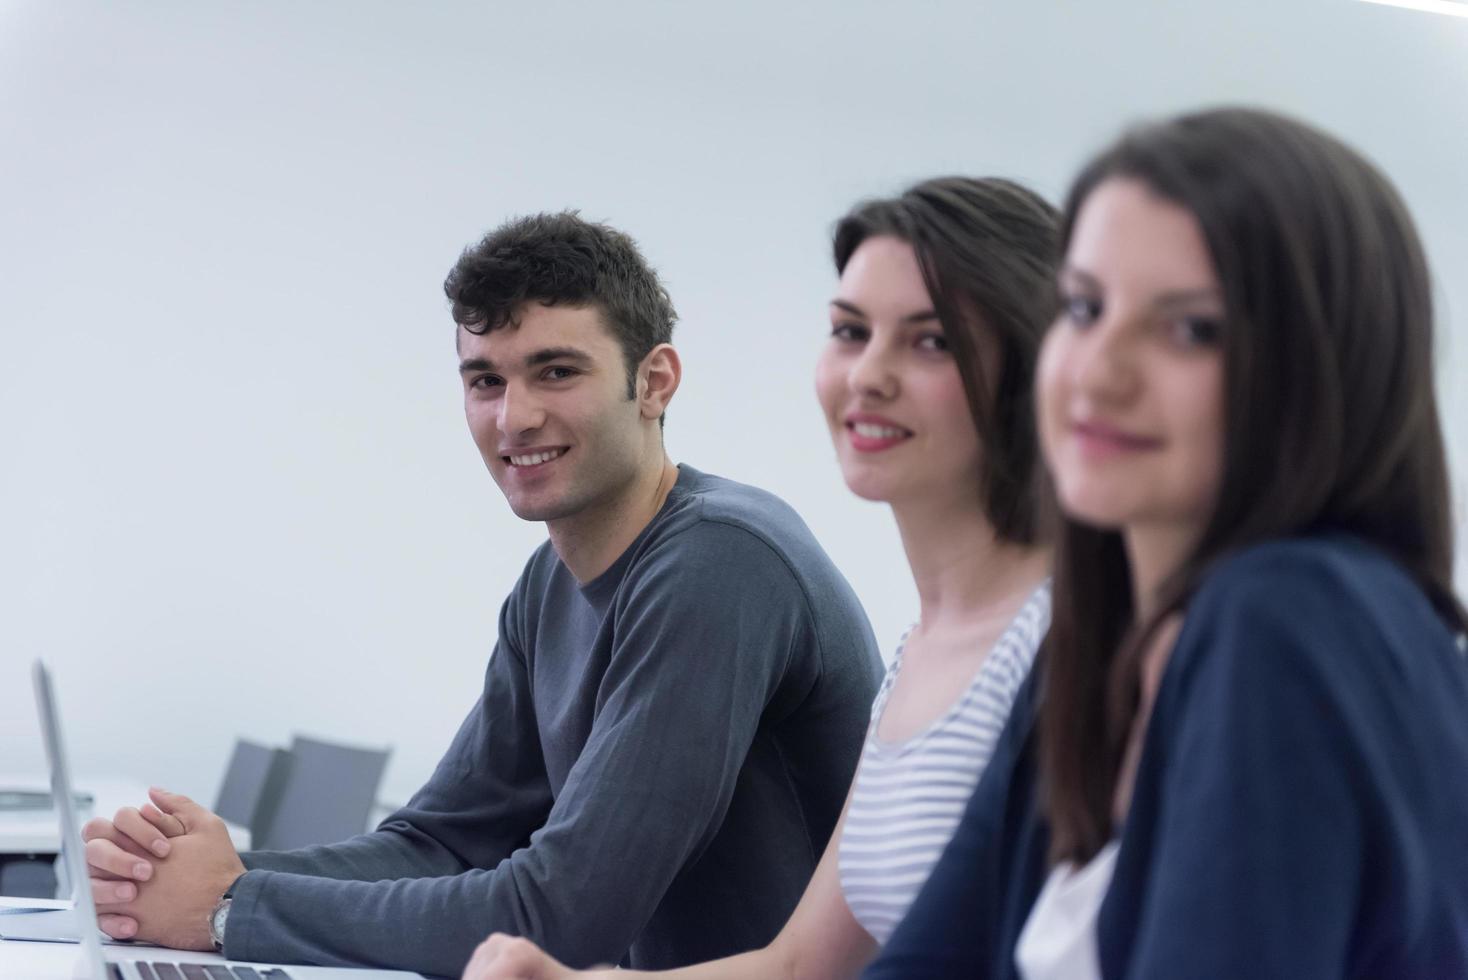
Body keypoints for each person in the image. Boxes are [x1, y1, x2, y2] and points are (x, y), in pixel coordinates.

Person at [78, 211, 885, 978]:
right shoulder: (549, 583)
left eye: (556, 372)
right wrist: (204, 875)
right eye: (484, 380)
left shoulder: (720, 563)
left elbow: (565, 913)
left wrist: (231, 908)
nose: (515, 417)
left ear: (655, 382)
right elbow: (442, 842)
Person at [865, 108, 1468, 979]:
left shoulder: (1287, 619)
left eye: (1189, 329)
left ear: (1313, 368)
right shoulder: (1090, 655)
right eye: (1084, 307)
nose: (1098, 369)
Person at [460, 176, 1061, 980]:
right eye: (850, 331)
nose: (868, 375)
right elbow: (800, 968)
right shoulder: (924, 655)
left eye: (932, 341)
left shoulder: (1080, 647)